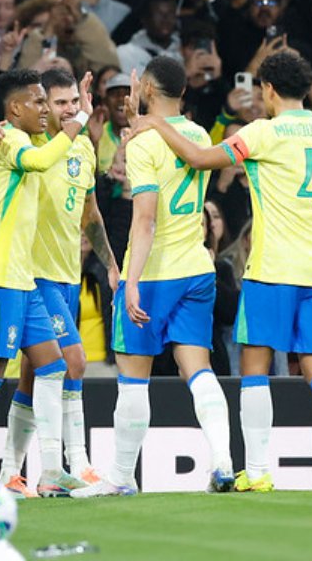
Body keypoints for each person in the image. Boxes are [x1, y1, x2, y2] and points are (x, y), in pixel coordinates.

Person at [129, 51, 312, 493]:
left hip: (273, 266)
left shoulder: (262, 132)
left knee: (255, 366)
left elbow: (199, 158)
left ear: (269, 90)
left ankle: (256, 471)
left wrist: (156, 123)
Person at [72, 56, 235, 498]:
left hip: (156, 272)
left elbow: (143, 220)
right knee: (197, 369)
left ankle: (121, 477)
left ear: (144, 86)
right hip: (197, 269)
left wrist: (132, 281)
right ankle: (222, 461)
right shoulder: (199, 135)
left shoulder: (143, 144)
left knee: (133, 377)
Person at [0, 68, 93, 496]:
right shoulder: (12, 140)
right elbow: (39, 161)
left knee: (53, 365)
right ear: (14, 109)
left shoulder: (21, 137)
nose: (47, 110)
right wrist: (80, 118)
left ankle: (50, 470)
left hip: (22, 277)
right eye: (38, 102)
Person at [0, 69, 119, 497]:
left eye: (73, 102)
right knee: (75, 361)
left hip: (68, 273)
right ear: (41, 105)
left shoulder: (83, 147)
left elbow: (90, 212)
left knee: (35, 375)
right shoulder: (29, 144)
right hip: (35, 274)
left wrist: (111, 264)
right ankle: (77, 464)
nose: (67, 109)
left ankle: (11, 474)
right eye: (59, 102)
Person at [115, 0, 180, 76]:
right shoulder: (126, 54)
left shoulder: (185, 53)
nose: (165, 19)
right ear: (144, 19)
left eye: (170, 14)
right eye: (159, 14)